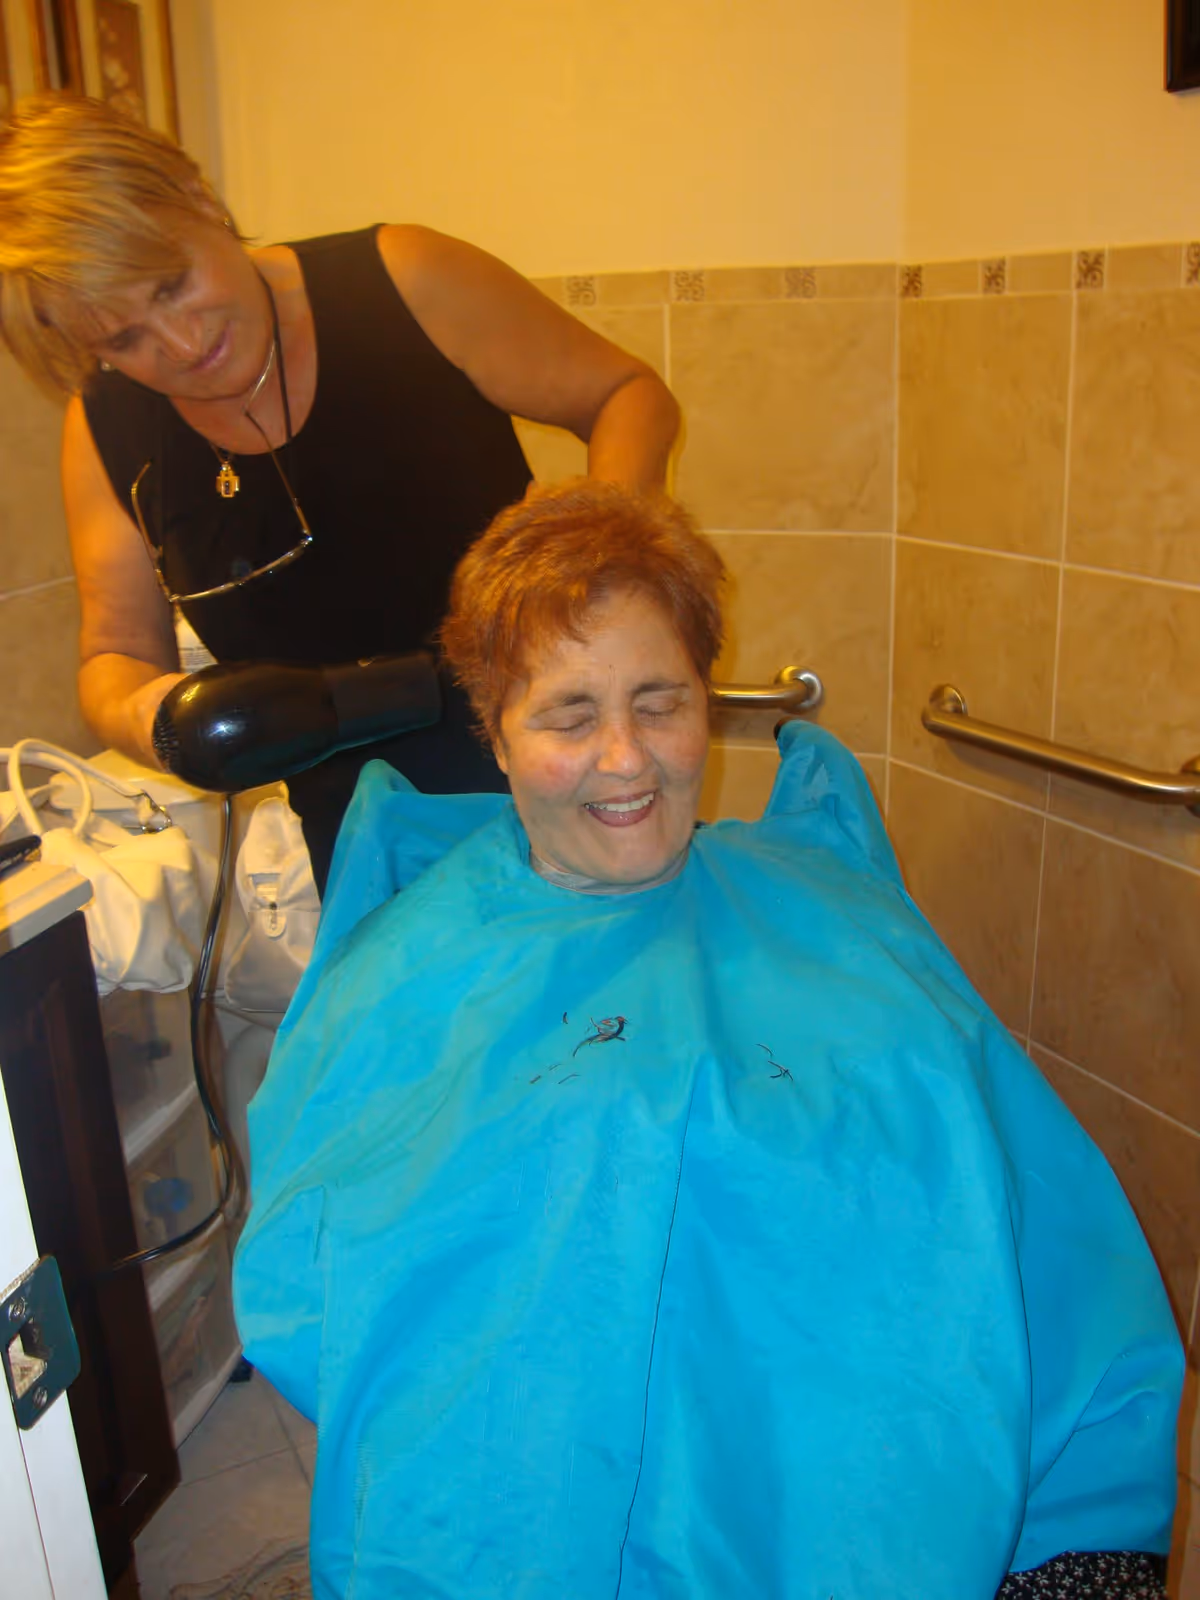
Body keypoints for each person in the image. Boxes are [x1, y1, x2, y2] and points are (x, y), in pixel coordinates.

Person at [233, 481, 1182, 1600]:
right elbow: (317, 1277)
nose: (629, 759)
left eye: (661, 700)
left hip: (901, 1491)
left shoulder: (834, 923)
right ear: (493, 733)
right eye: (570, 716)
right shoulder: (412, 971)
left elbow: (1013, 1216)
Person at [0, 95, 679, 892]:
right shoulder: (107, 423)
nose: (180, 345)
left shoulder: (403, 284)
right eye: (122, 339)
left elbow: (631, 396)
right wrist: (155, 720)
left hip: (567, 768)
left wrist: (593, 578)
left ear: (197, 198)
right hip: (359, 837)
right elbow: (115, 654)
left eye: (171, 284)